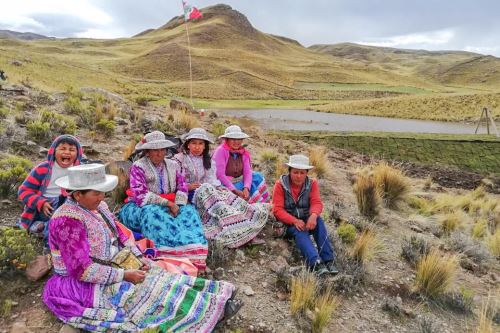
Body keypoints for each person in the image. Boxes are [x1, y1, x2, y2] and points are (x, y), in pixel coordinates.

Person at [43, 163, 240, 332]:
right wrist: (124, 275)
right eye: (96, 193)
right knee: (138, 293)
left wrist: (139, 259)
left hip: (112, 263)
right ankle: (204, 316)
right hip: (82, 282)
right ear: (77, 195)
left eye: (102, 192)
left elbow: (120, 235)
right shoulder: (66, 221)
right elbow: (82, 270)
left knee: (159, 274)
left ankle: (216, 299)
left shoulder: (98, 207)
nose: (102, 197)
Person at [118, 131, 208, 270]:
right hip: (141, 207)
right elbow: (141, 195)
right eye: (155, 150)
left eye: (162, 149)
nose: (159, 153)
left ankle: (194, 252)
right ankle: (166, 254)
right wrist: (168, 204)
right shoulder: (138, 166)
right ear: (147, 151)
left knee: (189, 211)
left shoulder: (173, 165)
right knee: (152, 213)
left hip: (172, 204)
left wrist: (178, 205)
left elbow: (182, 187)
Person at [174, 128, 268, 247]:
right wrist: (187, 186)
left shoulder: (206, 159)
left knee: (230, 199)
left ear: (204, 146)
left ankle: (246, 228)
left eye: (200, 143)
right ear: (188, 145)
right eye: (194, 143)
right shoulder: (179, 160)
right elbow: (174, 181)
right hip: (191, 194)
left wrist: (228, 189)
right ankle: (239, 229)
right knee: (217, 198)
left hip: (207, 190)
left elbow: (212, 179)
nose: (197, 147)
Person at [272, 154, 338, 276]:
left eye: (302, 173)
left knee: (319, 221)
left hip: (306, 218)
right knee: (300, 231)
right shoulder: (280, 185)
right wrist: (294, 221)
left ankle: (328, 260)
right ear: (289, 171)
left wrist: (313, 216)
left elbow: (317, 203)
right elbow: (277, 210)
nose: (298, 176)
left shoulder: (312, 184)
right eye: (295, 172)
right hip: (288, 223)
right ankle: (315, 263)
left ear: (307, 173)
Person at [17, 134, 83, 239]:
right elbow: (23, 191)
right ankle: (50, 240)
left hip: (66, 204)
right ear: (54, 151)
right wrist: (41, 202)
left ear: (78, 154)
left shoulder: (78, 170)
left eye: (71, 150)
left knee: (70, 203)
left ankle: (42, 228)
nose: (67, 152)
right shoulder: (42, 169)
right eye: (62, 148)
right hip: (45, 206)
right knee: (60, 204)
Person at [212, 125, 270, 204]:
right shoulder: (221, 151)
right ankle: (252, 205)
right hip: (225, 183)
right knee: (240, 190)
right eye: (233, 139)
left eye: (239, 139)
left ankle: (264, 204)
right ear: (227, 139)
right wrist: (234, 190)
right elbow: (220, 175)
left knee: (257, 177)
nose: (237, 142)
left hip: (238, 180)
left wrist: (246, 188)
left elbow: (247, 171)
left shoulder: (243, 152)